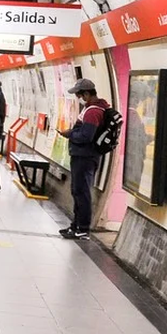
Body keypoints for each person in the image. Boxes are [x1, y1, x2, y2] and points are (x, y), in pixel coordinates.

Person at [58, 79, 111, 239]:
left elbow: (86, 136)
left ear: (87, 93)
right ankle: (76, 226)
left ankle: (83, 228)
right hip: (83, 156)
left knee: (82, 192)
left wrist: (70, 134)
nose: (79, 98)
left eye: (80, 95)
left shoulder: (93, 112)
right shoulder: (92, 109)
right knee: (77, 191)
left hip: (85, 157)